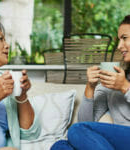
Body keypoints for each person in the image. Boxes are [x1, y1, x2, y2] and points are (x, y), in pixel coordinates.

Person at [51, 15, 130, 150]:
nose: (119, 46)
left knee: (76, 130)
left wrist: (125, 87)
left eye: (124, 38)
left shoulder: (121, 82)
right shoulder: (115, 79)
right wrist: (90, 87)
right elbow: (86, 123)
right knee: (60, 146)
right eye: (118, 40)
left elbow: (80, 128)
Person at [0, 16, 40, 150]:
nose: (7, 45)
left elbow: (30, 132)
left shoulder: (5, 79)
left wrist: (22, 95)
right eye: (0, 39)